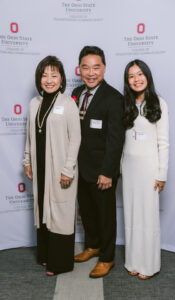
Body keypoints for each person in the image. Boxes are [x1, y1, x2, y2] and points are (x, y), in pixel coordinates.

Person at [23, 56, 81, 275]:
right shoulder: (34, 103)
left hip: (59, 170)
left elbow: (75, 139)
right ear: (39, 79)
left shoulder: (68, 103)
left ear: (62, 78)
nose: (49, 80)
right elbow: (29, 134)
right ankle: (46, 255)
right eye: (44, 75)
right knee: (43, 208)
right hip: (39, 168)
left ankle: (61, 263)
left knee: (60, 212)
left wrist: (68, 169)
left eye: (54, 75)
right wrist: (27, 160)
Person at [72, 46, 125, 278]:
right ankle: (92, 246)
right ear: (79, 69)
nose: (91, 73)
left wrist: (107, 172)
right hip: (80, 168)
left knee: (105, 215)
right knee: (88, 212)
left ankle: (107, 257)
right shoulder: (76, 93)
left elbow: (116, 140)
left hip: (102, 170)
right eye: (86, 67)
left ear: (104, 68)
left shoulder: (114, 98)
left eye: (96, 67)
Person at [121, 59, 169, 279]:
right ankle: (133, 260)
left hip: (149, 169)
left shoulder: (159, 103)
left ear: (147, 76)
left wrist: (161, 174)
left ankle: (148, 265)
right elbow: (123, 141)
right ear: (127, 80)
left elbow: (163, 143)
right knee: (131, 215)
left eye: (140, 74)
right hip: (129, 169)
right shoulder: (126, 104)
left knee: (147, 217)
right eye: (131, 76)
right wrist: (121, 167)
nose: (136, 79)